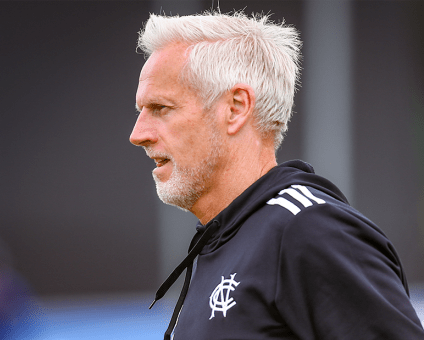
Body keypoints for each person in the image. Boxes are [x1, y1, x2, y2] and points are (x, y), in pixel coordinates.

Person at [129, 10, 424, 340]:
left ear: (236, 107)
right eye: (141, 111)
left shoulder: (310, 230)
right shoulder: (226, 238)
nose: (138, 134)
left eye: (161, 109)